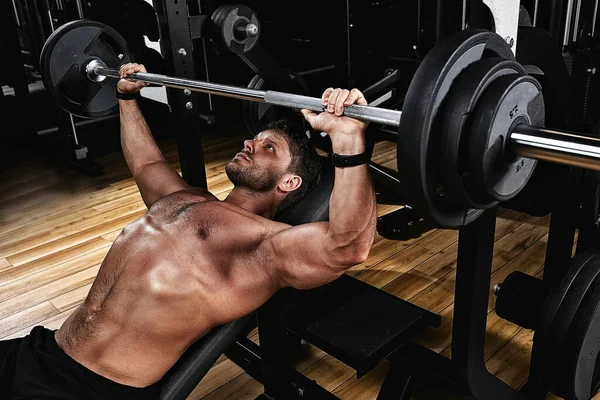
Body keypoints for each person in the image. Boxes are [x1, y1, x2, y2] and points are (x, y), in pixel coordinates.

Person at [0, 63, 377, 399]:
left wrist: (348, 139)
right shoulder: (187, 198)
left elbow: (348, 247)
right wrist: (126, 97)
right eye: (255, 139)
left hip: (89, 389)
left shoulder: (265, 246)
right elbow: (145, 161)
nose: (250, 143)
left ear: (289, 183)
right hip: (41, 350)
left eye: (268, 148)